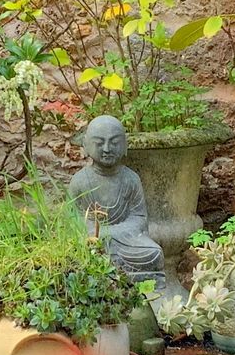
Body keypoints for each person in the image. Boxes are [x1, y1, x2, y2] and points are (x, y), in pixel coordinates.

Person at [68, 115, 170, 293]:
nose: (107, 149)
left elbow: (139, 217)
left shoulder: (130, 179)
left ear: (125, 145)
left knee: (153, 253)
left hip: (125, 241)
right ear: (86, 144)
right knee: (83, 253)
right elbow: (71, 218)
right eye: (99, 143)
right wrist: (94, 233)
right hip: (93, 240)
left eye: (114, 142)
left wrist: (110, 232)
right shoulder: (80, 181)